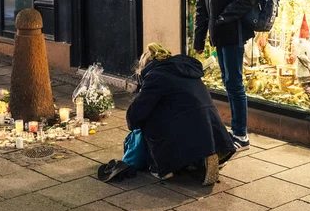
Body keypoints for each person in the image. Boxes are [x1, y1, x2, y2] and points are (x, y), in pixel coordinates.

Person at [98, 43, 235, 185]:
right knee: (177, 114)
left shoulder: (156, 76)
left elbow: (137, 112)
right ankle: (204, 156)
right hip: (213, 130)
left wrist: (133, 124)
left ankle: (162, 166)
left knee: (149, 120)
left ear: (147, 64)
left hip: (180, 133)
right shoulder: (188, 70)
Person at [190, 0, 256, 149]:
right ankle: (237, 131)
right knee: (229, 82)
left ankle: (241, 134)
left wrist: (221, 19)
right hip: (219, 34)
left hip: (233, 33)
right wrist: (199, 39)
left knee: (234, 83)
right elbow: (202, 8)